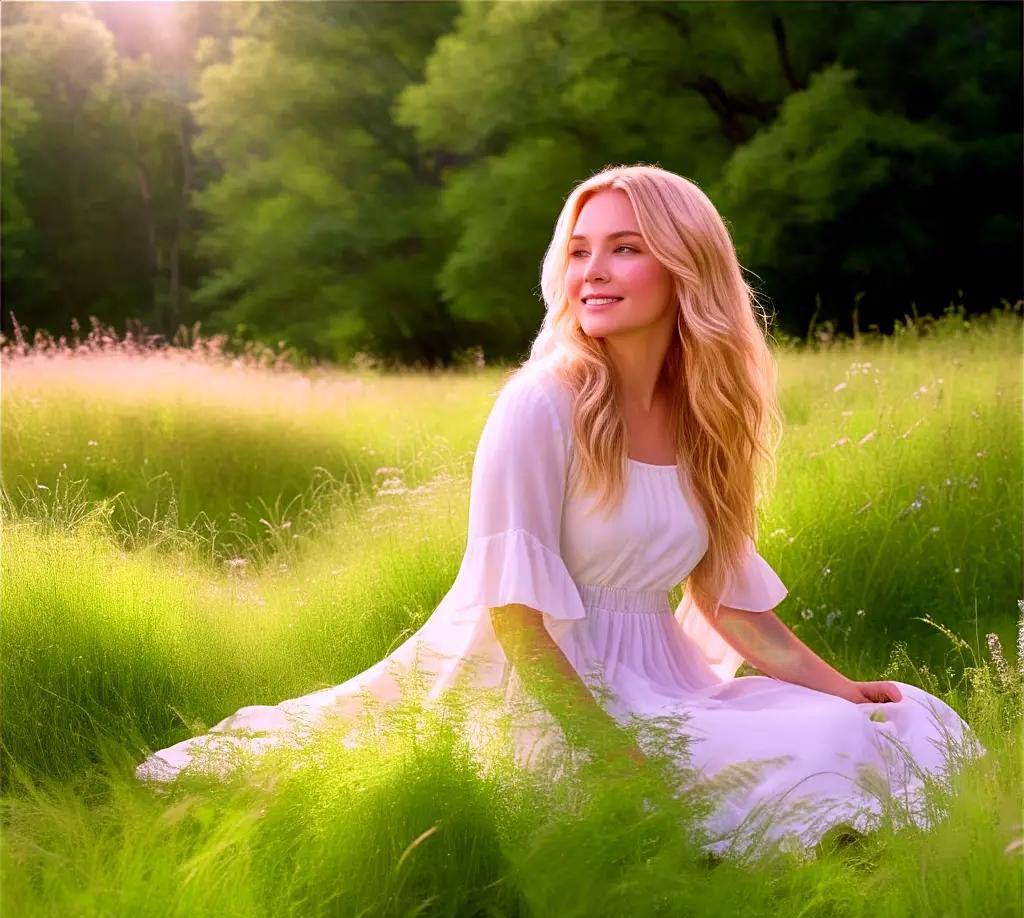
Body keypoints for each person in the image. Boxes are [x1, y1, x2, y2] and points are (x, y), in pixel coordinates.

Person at [136, 163, 986, 861]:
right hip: (538, 694)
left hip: (664, 684)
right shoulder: (541, 403)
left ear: (687, 267)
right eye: (579, 251)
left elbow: (730, 606)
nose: (593, 271)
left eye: (625, 248)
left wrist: (846, 690)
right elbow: (515, 619)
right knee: (780, 773)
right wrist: (611, 757)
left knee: (899, 720)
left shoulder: (707, 420)